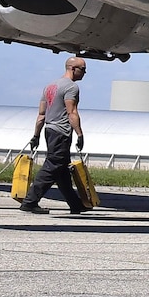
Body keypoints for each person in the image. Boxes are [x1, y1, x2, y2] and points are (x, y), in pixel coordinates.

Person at [20, 57, 89, 215]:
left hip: (49, 130)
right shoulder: (71, 87)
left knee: (62, 169)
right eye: (83, 69)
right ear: (73, 68)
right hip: (61, 132)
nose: (85, 73)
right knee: (52, 166)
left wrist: (36, 135)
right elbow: (72, 112)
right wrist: (80, 134)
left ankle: (75, 204)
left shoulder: (50, 86)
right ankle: (30, 202)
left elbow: (41, 115)